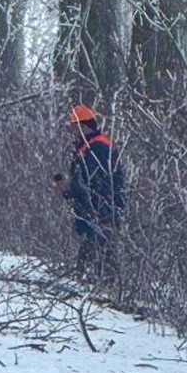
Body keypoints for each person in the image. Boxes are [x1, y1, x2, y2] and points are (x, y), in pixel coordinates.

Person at [55, 104, 125, 280]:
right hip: (97, 208)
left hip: (100, 209)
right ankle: (89, 279)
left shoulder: (97, 148)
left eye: (74, 126)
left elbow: (91, 180)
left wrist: (70, 189)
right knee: (93, 247)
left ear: (83, 126)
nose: (72, 131)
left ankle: (104, 283)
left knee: (101, 249)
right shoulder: (92, 146)